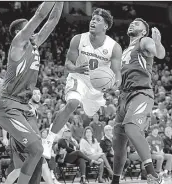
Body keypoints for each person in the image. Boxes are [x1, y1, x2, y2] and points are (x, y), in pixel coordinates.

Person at [0, 2, 64, 184]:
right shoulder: (18, 43)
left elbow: (53, 20)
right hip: (9, 106)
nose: (35, 30)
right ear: (22, 30)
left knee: (38, 155)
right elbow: (41, 16)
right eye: (29, 26)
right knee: (35, 149)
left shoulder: (34, 45)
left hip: (25, 109)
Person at [44, 8, 122, 159]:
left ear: (105, 26)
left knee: (91, 113)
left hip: (96, 87)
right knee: (72, 103)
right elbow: (68, 63)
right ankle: (48, 140)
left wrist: (115, 83)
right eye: (92, 18)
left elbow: (116, 72)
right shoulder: (78, 39)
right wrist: (76, 68)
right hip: (78, 77)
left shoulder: (114, 47)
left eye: (98, 20)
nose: (93, 21)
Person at [111, 18, 165, 184]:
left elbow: (160, 53)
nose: (132, 24)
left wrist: (157, 43)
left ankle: (153, 175)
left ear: (143, 31)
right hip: (123, 98)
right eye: (132, 22)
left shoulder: (144, 41)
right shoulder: (124, 50)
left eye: (137, 23)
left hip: (140, 93)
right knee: (118, 146)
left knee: (132, 128)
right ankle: (115, 180)